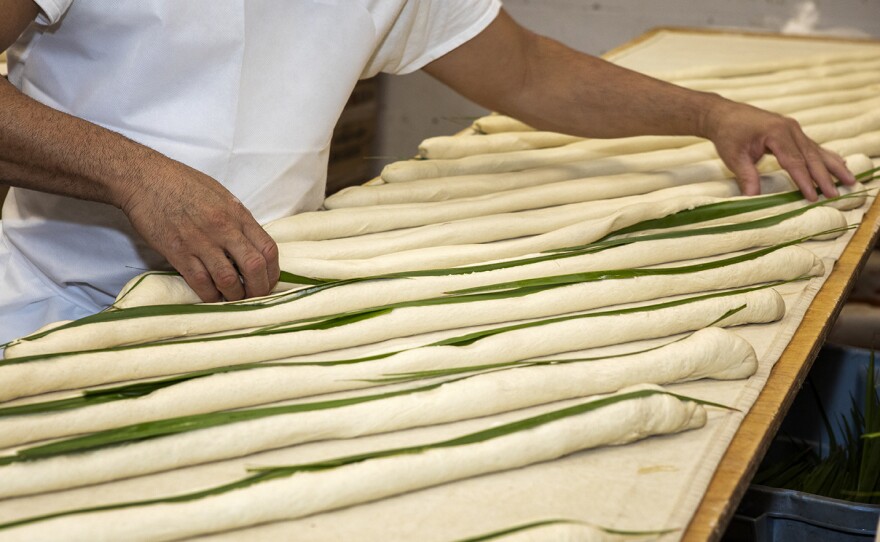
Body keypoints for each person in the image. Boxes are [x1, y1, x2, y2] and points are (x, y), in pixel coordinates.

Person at [0, 0, 855, 345]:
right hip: (53, 305)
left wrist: (710, 113)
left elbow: (525, 71)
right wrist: (134, 175)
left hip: (255, 305)